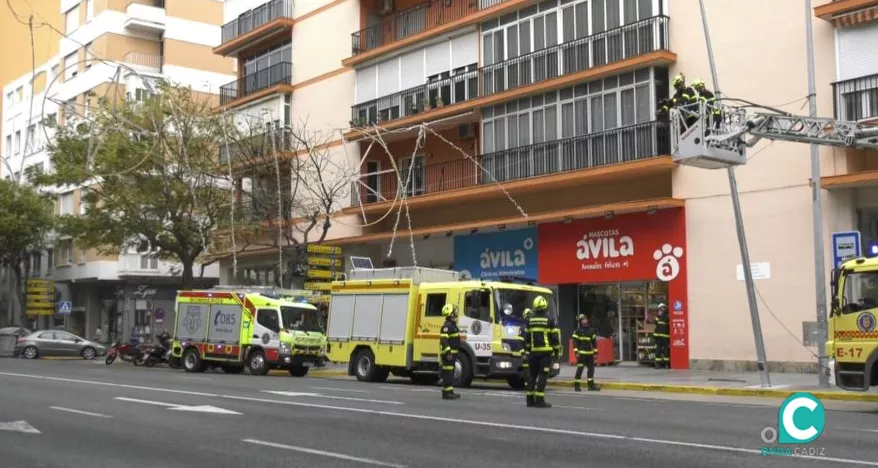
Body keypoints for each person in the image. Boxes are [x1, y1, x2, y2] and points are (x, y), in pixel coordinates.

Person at [523, 296, 561, 408]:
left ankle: (530, 400)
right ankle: (539, 400)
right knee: (543, 375)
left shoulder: (530, 319)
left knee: (532, 376)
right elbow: (554, 337)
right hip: (545, 353)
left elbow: (527, 337)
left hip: (533, 353)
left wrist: (528, 350)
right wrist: (556, 351)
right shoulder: (549, 319)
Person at [439, 303, 461, 400]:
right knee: (448, 373)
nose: (456, 312)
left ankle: (450, 391)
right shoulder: (447, 326)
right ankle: (446, 393)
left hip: (452, 353)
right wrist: (448, 352)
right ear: (450, 313)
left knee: (450, 372)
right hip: (449, 354)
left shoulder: (452, 325)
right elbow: (444, 340)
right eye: (454, 311)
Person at [572, 314, 600, 392]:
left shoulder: (591, 330)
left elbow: (594, 343)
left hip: (589, 354)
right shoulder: (577, 331)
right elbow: (574, 343)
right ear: (580, 322)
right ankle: (577, 386)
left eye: (585, 319)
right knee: (580, 369)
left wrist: (595, 353)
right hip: (581, 354)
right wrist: (576, 352)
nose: (585, 320)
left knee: (591, 369)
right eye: (583, 319)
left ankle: (591, 385)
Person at [653, 303, 670, 369]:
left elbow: (654, 323)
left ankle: (658, 364)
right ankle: (666, 364)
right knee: (666, 349)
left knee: (658, 349)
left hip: (658, 336)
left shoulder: (658, 316)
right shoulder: (667, 317)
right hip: (665, 336)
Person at [519, 308, 532, 373]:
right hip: (527, 353)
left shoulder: (523, 327)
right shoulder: (523, 327)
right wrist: (523, 353)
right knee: (527, 370)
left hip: (531, 353)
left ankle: (529, 382)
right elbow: (520, 341)